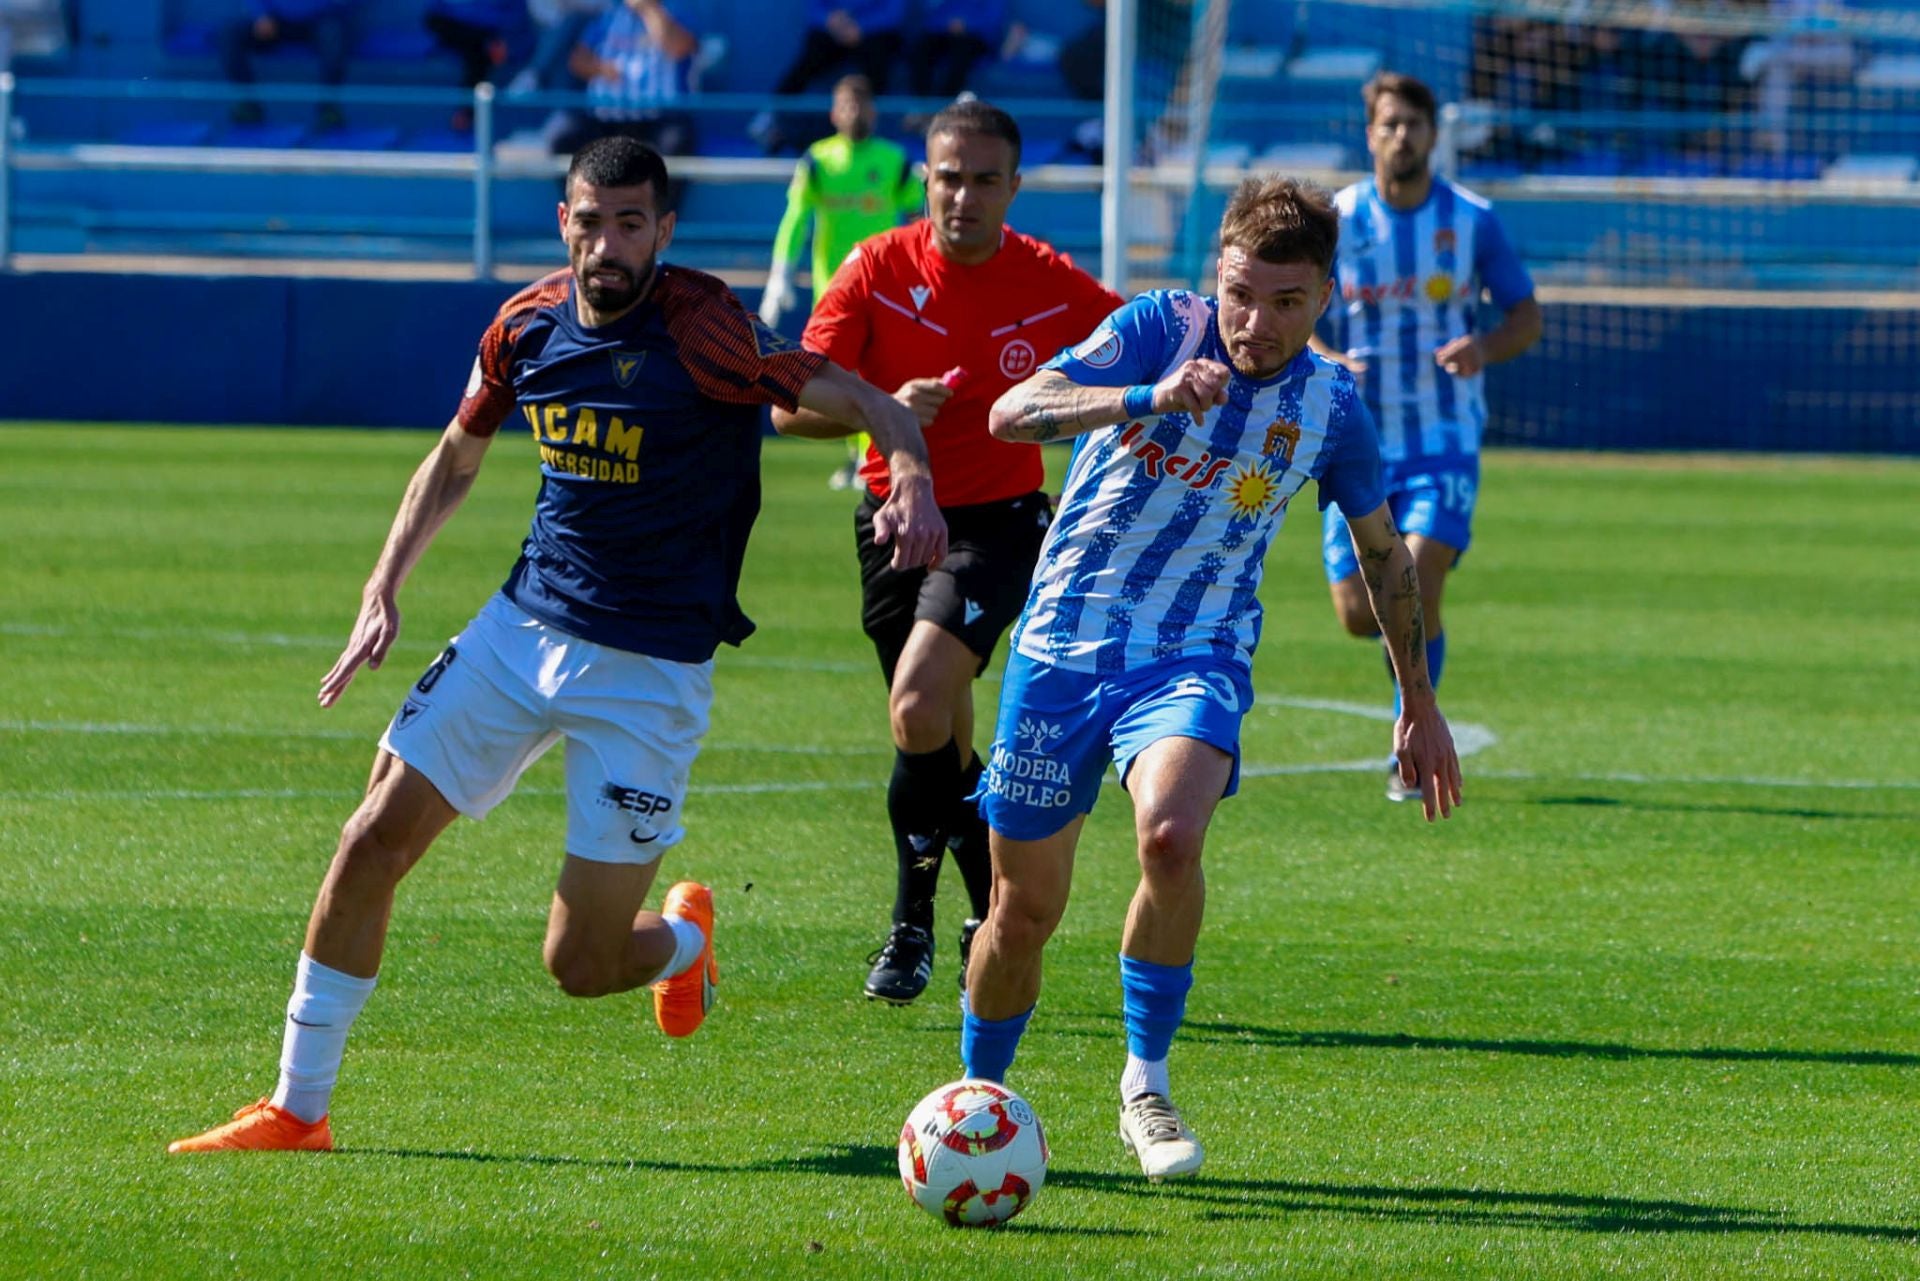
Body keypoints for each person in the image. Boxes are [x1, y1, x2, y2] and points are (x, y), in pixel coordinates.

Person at [166, 137, 946, 1154]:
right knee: (368, 843)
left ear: (664, 233)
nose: (606, 243)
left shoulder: (704, 327)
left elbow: (856, 398)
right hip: (518, 632)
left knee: (578, 965)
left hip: (650, 672)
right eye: (590, 220)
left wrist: (910, 472)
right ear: (564, 219)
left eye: (631, 224)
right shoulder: (526, 324)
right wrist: (381, 587)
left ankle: (686, 944)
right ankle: (297, 1110)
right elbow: (455, 456)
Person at [959, 175, 1463, 1180]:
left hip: (1196, 650)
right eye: (1240, 293)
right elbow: (1014, 412)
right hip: (1062, 648)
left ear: (1325, 298)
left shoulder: (1331, 406)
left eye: (1285, 303)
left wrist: (1419, 700)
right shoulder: (1158, 329)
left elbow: (1384, 558)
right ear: (1216, 276)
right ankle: (981, 1098)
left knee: (1170, 836)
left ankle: (1143, 1082)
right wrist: (1146, 395)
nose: (1255, 322)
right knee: (1023, 914)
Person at [770, 100, 1121, 1005]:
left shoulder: (1050, 282)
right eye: (947, 178)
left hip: (1002, 525)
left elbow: (1147, 339)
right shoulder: (874, 267)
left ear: (1013, 186)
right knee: (936, 734)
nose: (962, 196)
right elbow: (787, 406)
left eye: (983, 180)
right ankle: (987, 916)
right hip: (892, 522)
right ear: (924, 179)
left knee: (920, 703)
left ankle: (907, 924)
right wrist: (880, 404)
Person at [1311, 71, 1540, 801]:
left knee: (1416, 571)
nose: (1401, 136)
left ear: (1434, 134)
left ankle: (1409, 735)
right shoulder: (1336, 220)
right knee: (1359, 612)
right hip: (1358, 441)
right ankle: (1415, 698)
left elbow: (1524, 317)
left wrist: (1483, 348)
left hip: (1444, 434)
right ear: (1369, 133)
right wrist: (1329, 359)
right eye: (1389, 124)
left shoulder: (1472, 219)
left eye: (1414, 123)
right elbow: (1297, 315)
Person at [759, 74, 923, 489]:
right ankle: (859, 459)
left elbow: (920, 219)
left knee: (877, 374)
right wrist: (780, 274)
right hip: (831, 290)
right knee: (839, 379)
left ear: (873, 111)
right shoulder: (818, 160)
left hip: (886, 288)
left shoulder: (894, 161)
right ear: (834, 113)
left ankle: (873, 458)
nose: (854, 114)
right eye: (847, 106)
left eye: (861, 106)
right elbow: (795, 219)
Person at [550, 0, 698, 167]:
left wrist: (648, 10)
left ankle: (662, 194)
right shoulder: (609, 16)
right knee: (565, 136)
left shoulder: (676, 11)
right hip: (606, 117)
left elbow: (678, 48)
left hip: (658, 118)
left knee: (675, 143)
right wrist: (602, 69)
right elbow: (578, 60)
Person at [749, 1, 908, 155]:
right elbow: (815, 7)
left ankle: (873, 132)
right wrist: (830, 20)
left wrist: (861, 26)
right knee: (810, 58)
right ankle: (770, 120)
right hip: (833, 30)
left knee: (879, 60)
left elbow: (893, 11)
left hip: (874, 33)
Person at [218, 0, 353, 128]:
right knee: (229, 33)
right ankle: (247, 103)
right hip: (274, 22)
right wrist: (262, 15)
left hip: (321, 19)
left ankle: (329, 108)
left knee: (334, 36)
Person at [906, 0, 1005, 101]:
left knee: (962, 51)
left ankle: (945, 102)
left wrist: (967, 25)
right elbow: (929, 16)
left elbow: (993, 18)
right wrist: (947, 24)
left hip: (976, 36)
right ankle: (922, 102)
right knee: (922, 48)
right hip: (943, 32)